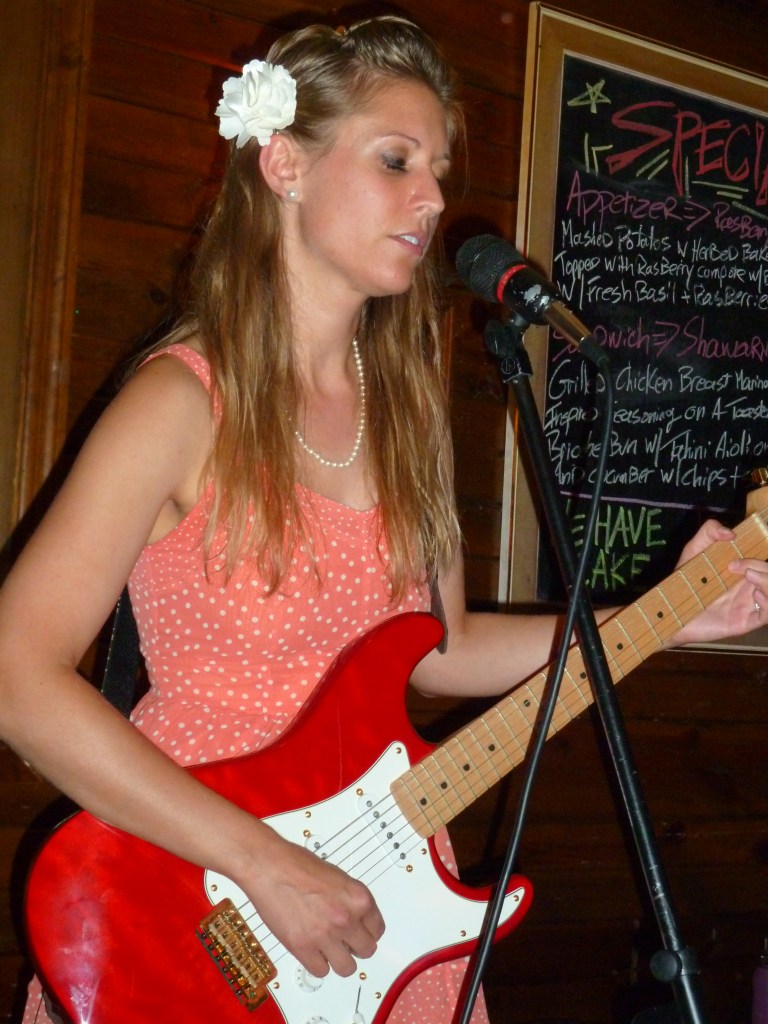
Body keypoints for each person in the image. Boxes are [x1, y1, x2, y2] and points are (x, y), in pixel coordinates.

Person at [1, 14, 766, 1024]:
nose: (435, 197)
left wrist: (670, 613)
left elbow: (441, 650)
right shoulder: (181, 402)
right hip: (193, 895)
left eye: (438, 169)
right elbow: (16, 673)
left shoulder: (409, 416)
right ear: (284, 163)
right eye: (396, 160)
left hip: (381, 897)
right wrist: (264, 862)